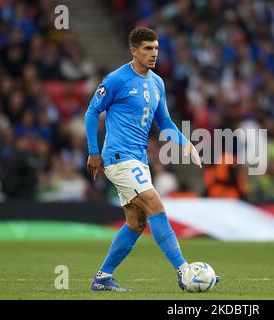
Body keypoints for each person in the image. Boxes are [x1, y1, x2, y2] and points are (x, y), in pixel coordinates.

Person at [84, 27, 219, 291]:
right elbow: (92, 112)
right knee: (155, 204)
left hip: (139, 159)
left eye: (156, 48)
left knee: (136, 222)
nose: (153, 53)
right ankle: (184, 271)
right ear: (134, 51)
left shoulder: (157, 83)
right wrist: (93, 151)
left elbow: (165, 122)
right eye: (147, 48)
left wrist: (186, 143)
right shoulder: (116, 80)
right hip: (119, 157)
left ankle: (102, 278)